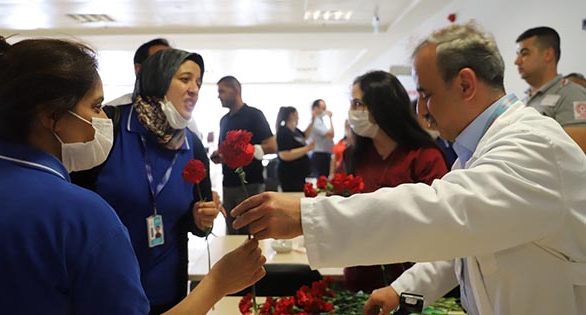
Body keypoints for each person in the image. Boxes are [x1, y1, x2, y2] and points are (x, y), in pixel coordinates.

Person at [230, 23, 586, 315]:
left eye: (427, 94)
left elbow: (445, 213)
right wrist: (404, 288)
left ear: (464, 84)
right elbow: (467, 239)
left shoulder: (532, 144)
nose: (422, 112)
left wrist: (308, 216)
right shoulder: (479, 150)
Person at [0, 33, 265, 315]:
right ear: (52, 116)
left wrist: (197, 220)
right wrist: (218, 283)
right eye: (96, 107)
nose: (102, 118)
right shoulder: (84, 214)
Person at [72, 48, 224, 314]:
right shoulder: (113, 127)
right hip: (105, 289)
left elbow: (193, 220)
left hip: (167, 291)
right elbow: (74, 204)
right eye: (185, 79)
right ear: (158, 78)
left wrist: (201, 220)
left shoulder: (192, 144)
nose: (194, 89)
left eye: (198, 82)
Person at [341, 70, 448, 293]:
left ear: (382, 106)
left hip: (410, 281)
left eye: (358, 103)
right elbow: (339, 205)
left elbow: (438, 220)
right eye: (352, 103)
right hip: (361, 276)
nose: (352, 112)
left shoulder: (424, 157)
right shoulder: (353, 155)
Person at [211, 75, 277, 235]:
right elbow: (225, 149)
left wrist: (244, 150)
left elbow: (272, 146)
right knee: (232, 235)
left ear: (235, 90)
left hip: (251, 185)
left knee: (253, 233)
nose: (218, 95)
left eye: (222, 91)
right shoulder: (224, 120)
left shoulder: (254, 115)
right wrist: (220, 155)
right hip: (228, 185)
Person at [106, 38, 202, 138]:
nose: (194, 89)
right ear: (140, 70)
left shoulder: (187, 128)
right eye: (160, 63)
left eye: (198, 83)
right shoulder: (113, 117)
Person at [515, 27, 586, 126]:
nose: (517, 61)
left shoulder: (572, 95)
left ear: (548, 54)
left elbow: (580, 140)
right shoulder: (522, 101)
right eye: (517, 54)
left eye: (524, 53)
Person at [275, 106, 315, 192]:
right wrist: (306, 149)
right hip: (289, 174)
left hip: (299, 173)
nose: (298, 117)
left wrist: (312, 121)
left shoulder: (295, 131)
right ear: (291, 115)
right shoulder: (283, 131)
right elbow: (285, 154)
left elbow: (304, 136)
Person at [304, 99, 334, 178]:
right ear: (315, 108)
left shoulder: (320, 121)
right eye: (323, 108)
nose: (324, 111)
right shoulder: (316, 122)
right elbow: (331, 134)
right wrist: (330, 118)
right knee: (322, 181)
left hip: (323, 155)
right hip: (320, 155)